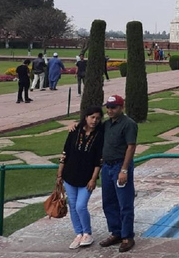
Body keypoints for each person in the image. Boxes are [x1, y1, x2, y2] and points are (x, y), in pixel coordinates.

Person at [56, 105, 104, 249]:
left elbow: (98, 160)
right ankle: (79, 233)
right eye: (92, 117)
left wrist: (93, 179)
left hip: (86, 178)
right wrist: (59, 174)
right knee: (73, 205)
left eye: (97, 118)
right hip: (70, 175)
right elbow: (65, 153)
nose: (94, 121)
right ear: (86, 117)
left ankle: (87, 233)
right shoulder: (75, 131)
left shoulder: (100, 135)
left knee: (81, 206)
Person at [98, 95, 138, 253]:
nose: (110, 110)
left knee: (124, 203)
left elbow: (131, 147)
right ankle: (116, 232)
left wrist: (124, 169)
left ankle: (127, 236)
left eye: (113, 107)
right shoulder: (107, 124)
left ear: (122, 107)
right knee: (108, 202)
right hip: (107, 167)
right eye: (108, 107)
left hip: (120, 166)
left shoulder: (128, 124)